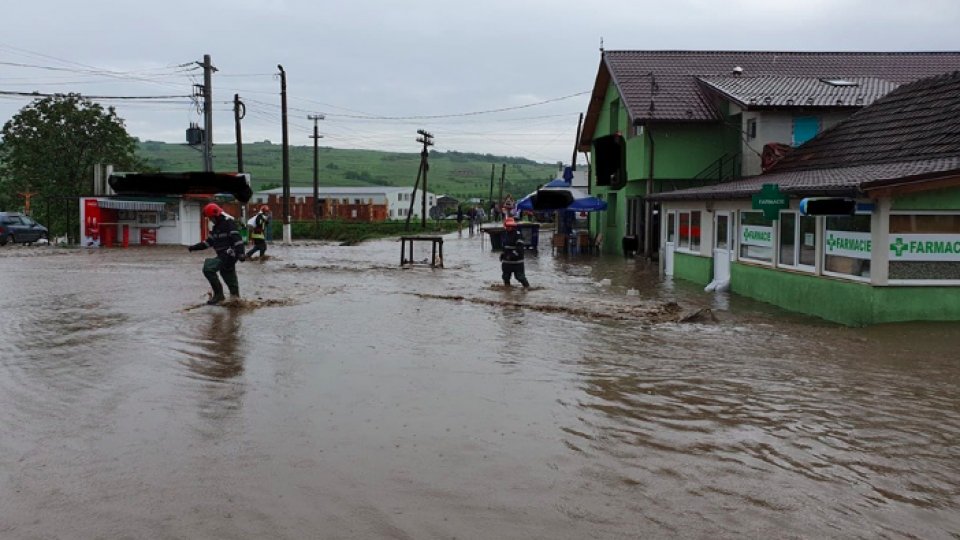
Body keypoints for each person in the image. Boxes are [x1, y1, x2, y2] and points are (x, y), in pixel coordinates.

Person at [188, 202, 245, 305]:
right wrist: (194, 247)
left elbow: (237, 239)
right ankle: (236, 304)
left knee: (208, 268)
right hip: (224, 257)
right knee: (230, 280)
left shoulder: (229, 223)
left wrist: (241, 253)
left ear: (216, 215)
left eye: (211, 218)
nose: (210, 220)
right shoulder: (215, 229)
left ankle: (219, 295)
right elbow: (208, 243)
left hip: (229, 255)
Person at [500, 216, 530, 288]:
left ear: (513, 226)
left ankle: (527, 289)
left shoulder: (518, 235)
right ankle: (507, 291)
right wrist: (503, 254)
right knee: (505, 277)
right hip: (507, 262)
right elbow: (505, 247)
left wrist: (512, 255)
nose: (509, 228)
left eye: (510, 226)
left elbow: (520, 249)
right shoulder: (504, 234)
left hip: (517, 262)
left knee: (520, 277)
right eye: (508, 226)